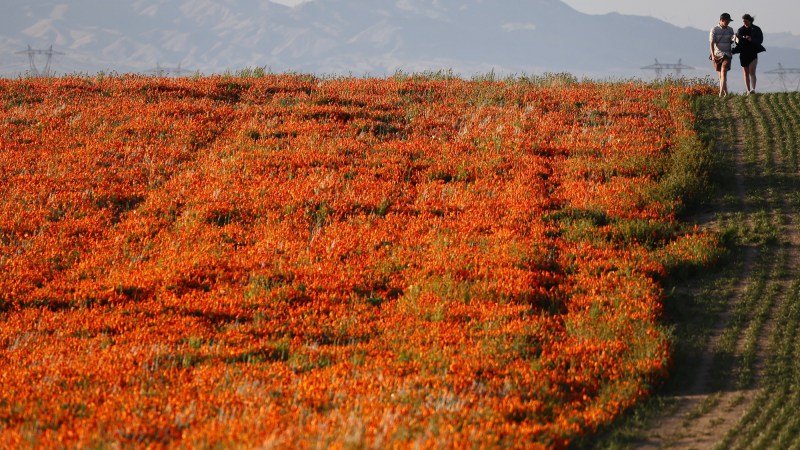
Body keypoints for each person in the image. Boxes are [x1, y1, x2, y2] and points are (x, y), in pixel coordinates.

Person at [735, 14, 766, 94]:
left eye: (746, 21)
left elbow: (760, 40)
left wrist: (751, 39)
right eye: (743, 21)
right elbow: (737, 43)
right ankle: (748, 90)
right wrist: (737, 39)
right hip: (743, 53)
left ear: (750, 20)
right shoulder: (740, 30)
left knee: (752, 71)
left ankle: (753, 89)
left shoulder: (756, 29)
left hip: (753, 52)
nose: (745, 23)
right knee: (746, 73)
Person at [710, 13, 735, 97]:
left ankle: (720, 93)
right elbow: (711, 43)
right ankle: (726, 93)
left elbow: (731, 41)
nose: (728, 23)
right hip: (717, 55)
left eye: (728, 21)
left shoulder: (730, 30)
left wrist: (734, 38)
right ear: (722, 20)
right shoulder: (714, 30)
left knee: (723, 72)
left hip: (727, 54)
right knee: (721, 75)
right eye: (727, 21)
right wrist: (713, 55)